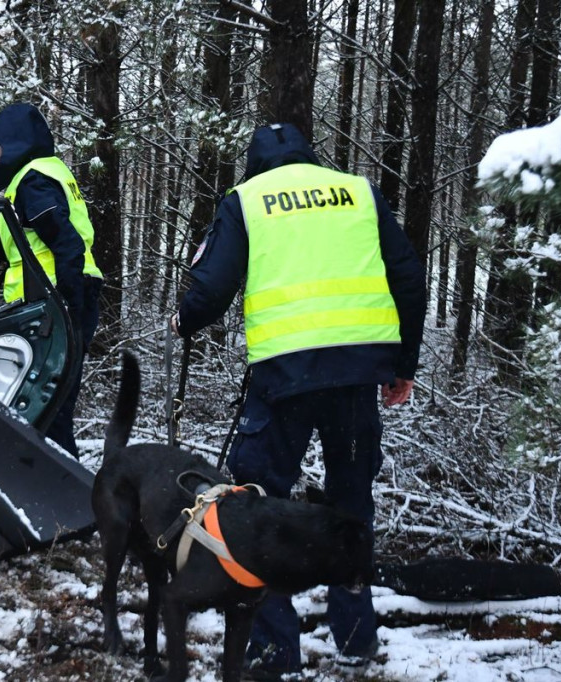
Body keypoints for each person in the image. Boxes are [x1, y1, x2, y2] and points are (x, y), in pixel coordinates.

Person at [171, 123, 426, 679]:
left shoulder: (248, 201)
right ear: (311, 158)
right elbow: (408, 275)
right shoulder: (358, 192)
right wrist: (402, 364)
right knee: (351, 505)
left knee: (257, 504)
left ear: (256, 166)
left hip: (283, 379)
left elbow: (212, 286)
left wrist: (185, 318)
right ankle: (357, 638)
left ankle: (271, 648)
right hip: (356, 379)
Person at [0, 103, 104, 457]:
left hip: (54, 302)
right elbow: (38, 241)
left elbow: (64, 242)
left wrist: (65, 304)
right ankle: (59, 492)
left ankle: (65, 497)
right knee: (50, 409)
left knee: (48, 411)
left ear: (17, 141)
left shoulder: (32, 180)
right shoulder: (44, 174)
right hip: (57, 298)